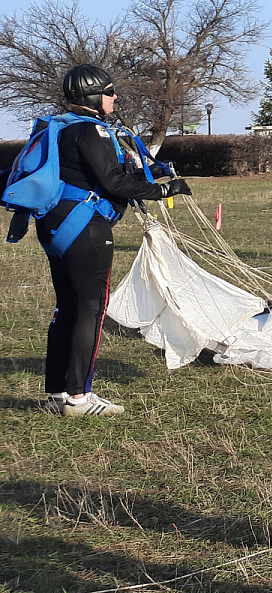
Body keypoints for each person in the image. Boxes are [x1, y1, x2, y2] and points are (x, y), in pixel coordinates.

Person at [26, 65, 187, 418]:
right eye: (110, 91)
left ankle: (57, 393)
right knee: (91, 309)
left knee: (66, 308)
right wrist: (161, 190)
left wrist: (149, 170)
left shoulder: (57, 128)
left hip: (54, 226)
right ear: (94, 96)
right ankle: (80, 398)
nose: (115, 97)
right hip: (84, 228)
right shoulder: (90, 129)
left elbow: (95, 174)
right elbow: (114, 183)